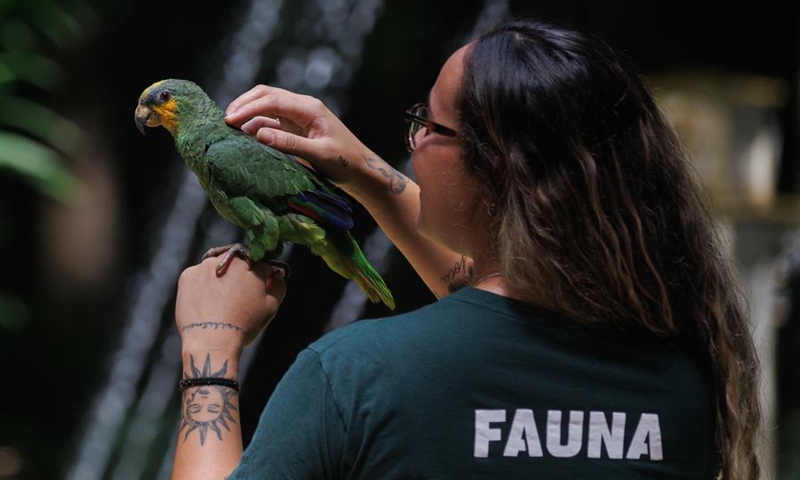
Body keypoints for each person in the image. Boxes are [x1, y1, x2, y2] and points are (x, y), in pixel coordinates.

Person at [171, 18, 761, 480]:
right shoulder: (688, 375)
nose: (413, 142)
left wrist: (210, 348)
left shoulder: (352, 377)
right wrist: (369, 176)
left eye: (426, 125)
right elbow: (498, 316)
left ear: (493, 165)